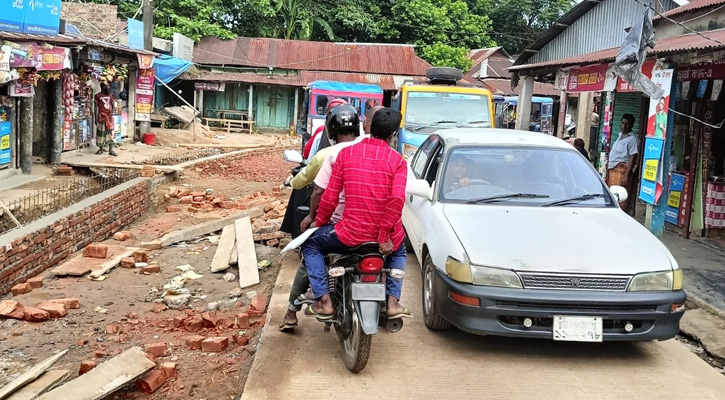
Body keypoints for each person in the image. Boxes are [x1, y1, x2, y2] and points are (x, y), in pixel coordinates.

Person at [279, 105, 382, 331]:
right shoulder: (375, 150)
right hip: (374, 227)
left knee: (310, 251)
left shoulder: (330, 154)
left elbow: (319, 192)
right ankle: (388, 304)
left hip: (341, 227)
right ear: (358, 127)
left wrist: (314, 218)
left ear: (330, 130)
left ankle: (292, 311)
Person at [302, 108, 409, 320]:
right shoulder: (398, 161)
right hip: (385, 239)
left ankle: (324, 301)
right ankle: (393, 302)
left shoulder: (345, 154)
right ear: (393, 135)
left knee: (311, 244)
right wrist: (383, 237)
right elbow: (397, 200)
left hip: (348, 235)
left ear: (368, 128)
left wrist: (319, 222)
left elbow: (330, 196)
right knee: (400, 250)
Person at [606, 113, 639, 213]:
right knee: (611, 194)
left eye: (627, 124)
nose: (624, 126)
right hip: (612, 169)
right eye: (623, 123)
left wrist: (626, 175)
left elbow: (633, 157)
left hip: (621, 171)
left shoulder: (633, 139)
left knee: (619, 196)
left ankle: (620, 215)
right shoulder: (620, 135)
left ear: (632, 125)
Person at [94, 84, 117, 156]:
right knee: (101, 133)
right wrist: (95, 118)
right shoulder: (97, 96)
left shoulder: (110, 95)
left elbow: (113, 106)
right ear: (103, 87)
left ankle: (111, 149)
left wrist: (111, 114)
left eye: (108, 86)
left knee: (109, 133)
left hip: (109, 118)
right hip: (101, 117)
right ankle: (100, 149)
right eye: (107, 86)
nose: (108, 87)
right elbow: (95, 108)